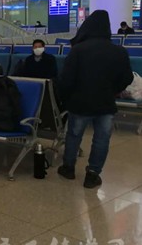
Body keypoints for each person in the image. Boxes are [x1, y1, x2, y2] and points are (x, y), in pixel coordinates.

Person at [57, 10, 134, 188]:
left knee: (74, 136)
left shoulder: (78, 50)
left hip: (79, 102)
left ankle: (68, 168)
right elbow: (127, 78)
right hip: (105, 102)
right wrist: (113, 90)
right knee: (101, 139)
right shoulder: (119, 51)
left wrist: (67, 98)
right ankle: (92, 174)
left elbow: (66, 79)